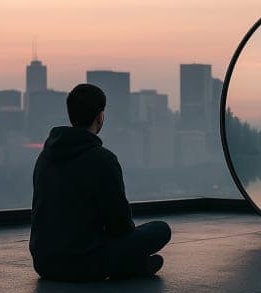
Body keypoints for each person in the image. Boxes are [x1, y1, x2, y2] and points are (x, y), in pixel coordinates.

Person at [29, 83, 171, 281]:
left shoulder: (45, 157)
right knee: (160, 229)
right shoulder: (102, 159)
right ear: (100, 117)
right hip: (84, 262)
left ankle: (129, 265)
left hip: (44, 263)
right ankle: (130, 266)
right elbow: (120, 226)